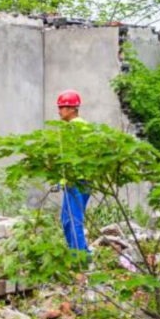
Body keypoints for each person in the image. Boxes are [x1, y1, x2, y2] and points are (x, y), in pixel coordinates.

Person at [56, 89, 90, 252]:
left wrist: (63, 179)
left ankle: (79, 258)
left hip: (76, 180)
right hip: (82, 180)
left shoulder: (74, 127)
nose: (59, 111)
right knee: (69, 219)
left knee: (72, 219)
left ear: (72, 109)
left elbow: (71, 156)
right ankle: (83, 253)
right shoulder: (82, 126)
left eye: (62, 107)